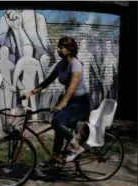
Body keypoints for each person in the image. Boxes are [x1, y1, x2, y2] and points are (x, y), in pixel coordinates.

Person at [22, 36, 91, 165]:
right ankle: (55, 159)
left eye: (62, 47)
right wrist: (30, 93)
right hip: (71, 101)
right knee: (59, 129)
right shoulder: (61, 64)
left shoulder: (75, 64)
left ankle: (77, 148)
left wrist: (61, 104)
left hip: (81, 102)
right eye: (59, 47)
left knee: (56, 122)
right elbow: (48, 81)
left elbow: (72, 87)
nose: (58, 49)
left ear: (70, 50)